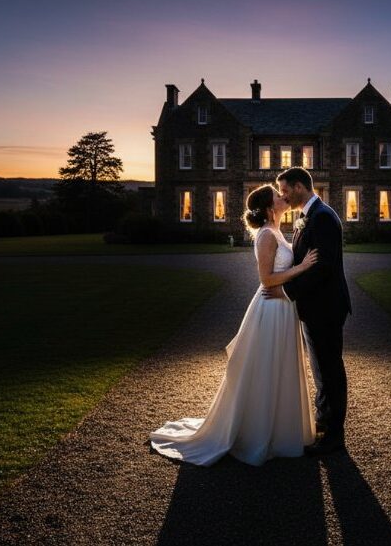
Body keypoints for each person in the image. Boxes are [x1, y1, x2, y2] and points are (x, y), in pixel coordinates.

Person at [149, 184, 319, 466]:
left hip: (283, 307)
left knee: (279, 365)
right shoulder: (266, 235)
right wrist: (302, 268)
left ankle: (280, 430)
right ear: (268, 206)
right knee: (266, 366)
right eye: (278, 196)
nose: (283, 197)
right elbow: (266, 279)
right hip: (271, 306)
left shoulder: (276, 230)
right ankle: (256, 432)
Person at [264, 167, 352, 456]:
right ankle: (324, 422)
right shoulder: (307, 217)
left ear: (300, 186)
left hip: (325, 307)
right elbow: (305, 263)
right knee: (321, 369)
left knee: (329, 370)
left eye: (285, 189)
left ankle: (334, 437)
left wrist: (286, 292)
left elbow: (323, 267)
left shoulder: (323, 217)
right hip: (314, 307)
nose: (283, 195)